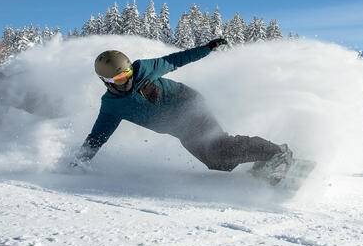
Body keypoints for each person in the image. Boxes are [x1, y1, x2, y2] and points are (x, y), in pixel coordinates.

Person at [70, 39, 295, 184]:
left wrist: (207, 49)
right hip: (180, 130)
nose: (127, 80)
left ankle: (277, 153)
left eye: (128, 73)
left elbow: (174, 60)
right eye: (119, 78)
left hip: (191, 108)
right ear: (106, 82)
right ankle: (263, 162)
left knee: (218, 148)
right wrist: (79, 162)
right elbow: (97, 137)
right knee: (218, 163)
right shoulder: (111, 106)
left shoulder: (144, 69)